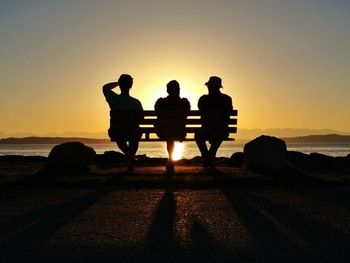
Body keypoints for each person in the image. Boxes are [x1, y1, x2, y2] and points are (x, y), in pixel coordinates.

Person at [102, 74, 143, 171]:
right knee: (135, 133)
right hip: (133, 132)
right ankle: (131, 155)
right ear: (131, 86)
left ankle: (128, 154)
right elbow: (141, 118)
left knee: (116, 133)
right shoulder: (136, 102)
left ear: (120, 85)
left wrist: (119, 83)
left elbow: (105, 87)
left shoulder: (114, 99)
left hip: (117, 131)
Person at [195, 76, 233, 168]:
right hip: (222, 131)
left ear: (209, 87)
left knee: (198, 135)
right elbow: (229, 113)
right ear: (219, 87)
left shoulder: (203, 100)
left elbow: (201, 111)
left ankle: (206, 157)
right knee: (219, 132)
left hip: (207, 130)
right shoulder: (227, 99)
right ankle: (210, 156)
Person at [154, 80, 190, 174]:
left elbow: (157, 113)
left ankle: (170, 159)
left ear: (167, 90)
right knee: (171, 131)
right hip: (180, 133)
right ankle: (170, 160)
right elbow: (186, 115)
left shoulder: (160, 102)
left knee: (169, 132)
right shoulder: (184, 103)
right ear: (178, 90)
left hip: (163, 133)